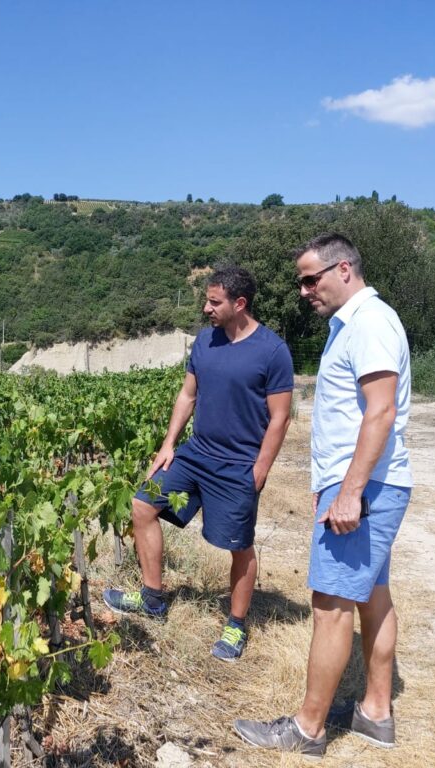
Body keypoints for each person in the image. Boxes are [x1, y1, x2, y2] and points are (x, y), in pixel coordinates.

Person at [233, 233, 413, 757]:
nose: (304, 290)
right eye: (300, 281)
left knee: (331, 602)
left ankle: (308, 729)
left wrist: (350, 491)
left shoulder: (369, 323)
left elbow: (379, 412)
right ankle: (375, 713)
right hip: (370, 481)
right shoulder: (356, 324)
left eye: (311, 278)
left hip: (366, 483)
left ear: (344, 270)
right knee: (372, 596)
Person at [103, 265, 293, 661]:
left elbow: (280, 417)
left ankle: (236, 624)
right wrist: (168, 444)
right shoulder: (205, 342)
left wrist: (260, 469)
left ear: (239, 304)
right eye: (206, 300)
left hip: (237, 465)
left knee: (238, 546)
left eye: (214, 301)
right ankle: (153, 597)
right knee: (143, 505)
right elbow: (188, 395)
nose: (206, 308)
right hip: (195, 454)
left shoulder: (273, 351)